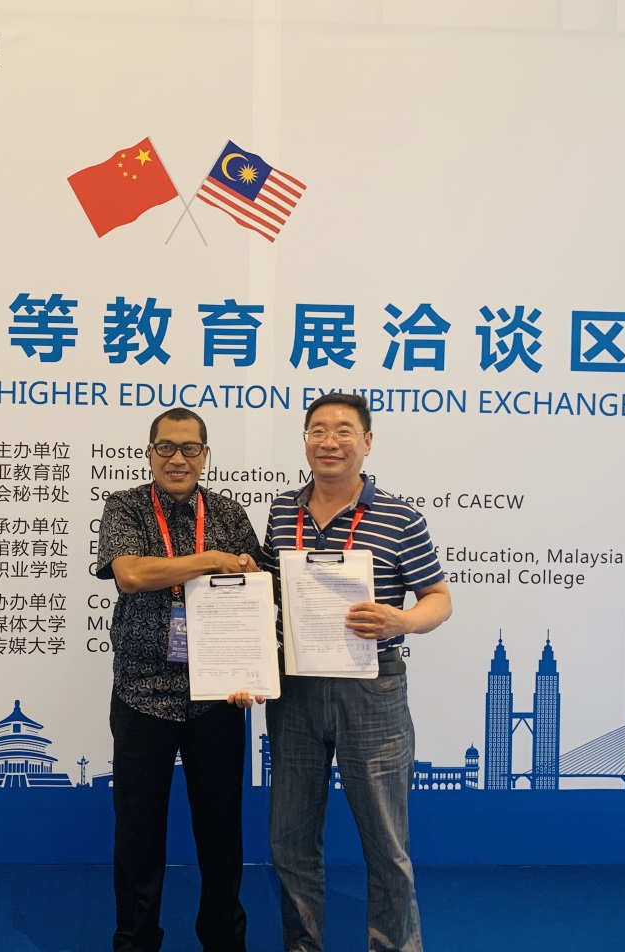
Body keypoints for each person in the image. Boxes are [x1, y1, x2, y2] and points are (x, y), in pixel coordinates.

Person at [262, 393, 452, 952]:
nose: (330, 441)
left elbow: (439, 598)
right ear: (305, 441)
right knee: (291, 841)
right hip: (295, 690)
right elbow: (267, 595)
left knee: (386, 844)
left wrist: (402, 619)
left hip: (372, 690)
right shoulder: (282, 511)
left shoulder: (399, 516)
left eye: (344, 431)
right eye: (318, 430)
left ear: (366, 443)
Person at [96, 407, 264, 952]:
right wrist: (210, 559)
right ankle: (136, 940)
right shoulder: (125, 506)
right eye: (165, 447)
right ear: (149, 454)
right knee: (138, 832)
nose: (177, 458)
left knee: (221, 832)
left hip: (218, 696)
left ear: (205, 455)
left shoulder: (229, 513)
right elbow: (131, 574)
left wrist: (251, 666)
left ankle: (222, 940)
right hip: (142, 693)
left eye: (190, 448)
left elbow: (256, 586)